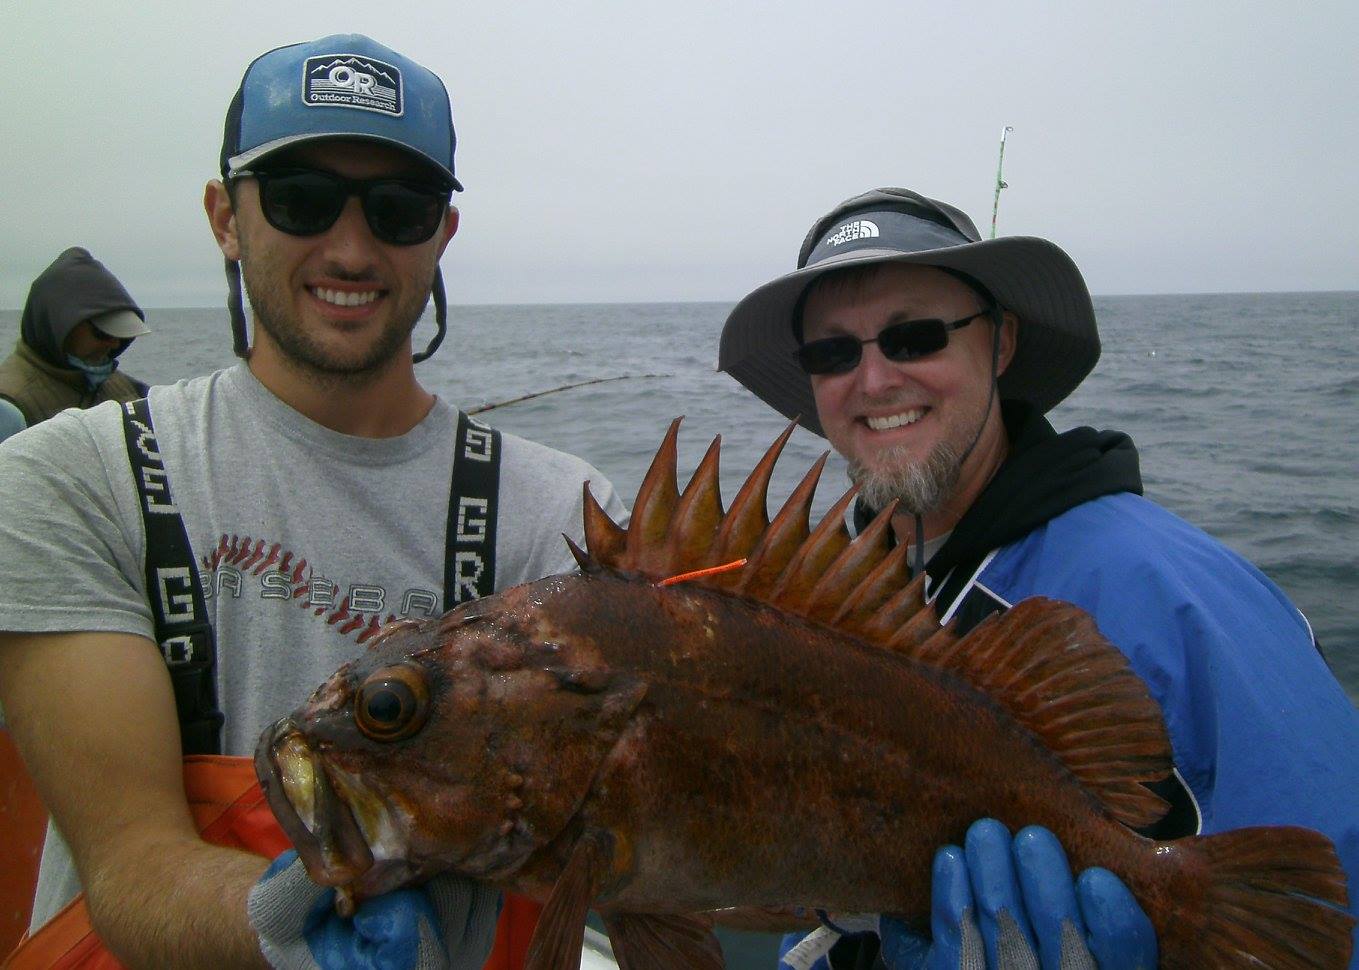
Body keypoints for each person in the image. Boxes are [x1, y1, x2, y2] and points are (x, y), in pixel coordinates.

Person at [0, 34, 625, 969]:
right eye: (298, 200)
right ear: (224, 216)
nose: (349, 245)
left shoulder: (563, 513)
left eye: (399, 209)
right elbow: (127, 864)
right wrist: (286, 925)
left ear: (443, 233)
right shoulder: (72, 478)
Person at [718, 187, 1359, 969]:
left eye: (915, 336)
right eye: (832, 353)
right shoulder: (816, 602)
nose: (874, 380)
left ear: (1000, 344)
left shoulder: (1174, 594)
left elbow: (1327, 894)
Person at [0, 247, 151, 444]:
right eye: (103, 332)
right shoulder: (10, 404)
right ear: (59, 325)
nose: (114, 343)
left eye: (121, 335)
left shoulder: (128, 388)